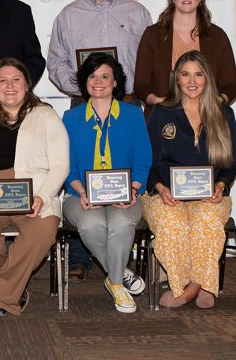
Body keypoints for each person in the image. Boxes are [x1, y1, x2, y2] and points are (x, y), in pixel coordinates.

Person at [47, 0, 152, 282]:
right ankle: (85, 259)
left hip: (129, 105)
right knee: (82, 179)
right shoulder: (68, 15)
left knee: (122, 174)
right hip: (83, 105)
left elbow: (150, 61)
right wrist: (81, 86)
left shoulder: (137, 12)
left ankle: (112, 265)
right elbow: (56, 61)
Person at [0, 57, 69, 316]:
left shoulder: (46, 114)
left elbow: (61, 163)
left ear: (27, 85)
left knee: (42, 233)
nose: (10, 86)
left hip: (34, 193)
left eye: (16, 79)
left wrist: (42, 196)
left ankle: (1, 293)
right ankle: (11, 288)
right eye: (2, 80)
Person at [143, 50, 236, 309]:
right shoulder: (161, 112)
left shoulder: (223, 113)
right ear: (177, 79)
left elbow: (231, 162)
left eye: (198, 75)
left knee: (207, 219)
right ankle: (184, 284)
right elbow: (147, 161)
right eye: (185, 75)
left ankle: (195, 287)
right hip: (164, 193)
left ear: (207, 79)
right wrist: (160, 188)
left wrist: (220, 185)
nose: (192, 81)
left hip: (211, 193)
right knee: (172, 223)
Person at [62, 53, 151, 313]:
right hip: (79, 195)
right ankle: (121, 276)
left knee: (122, 222)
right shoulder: (71, 117)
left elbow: (144, 160)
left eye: (105, 76)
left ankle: (114, 283)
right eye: (92, 76)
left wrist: (133, 190)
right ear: (84, 82)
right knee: (91, 224)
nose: (98, 82)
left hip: (127, 194)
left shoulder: (134, 114)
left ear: (115, 82)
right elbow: (66, 165)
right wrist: (81, 192)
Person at [134, 0, 236, 118]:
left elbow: (231, 83)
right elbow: (140, 84)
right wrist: (155, 101)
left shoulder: (217, 36)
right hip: (163, 119)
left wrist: (217, 101)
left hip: (207, 117)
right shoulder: (152, 35)